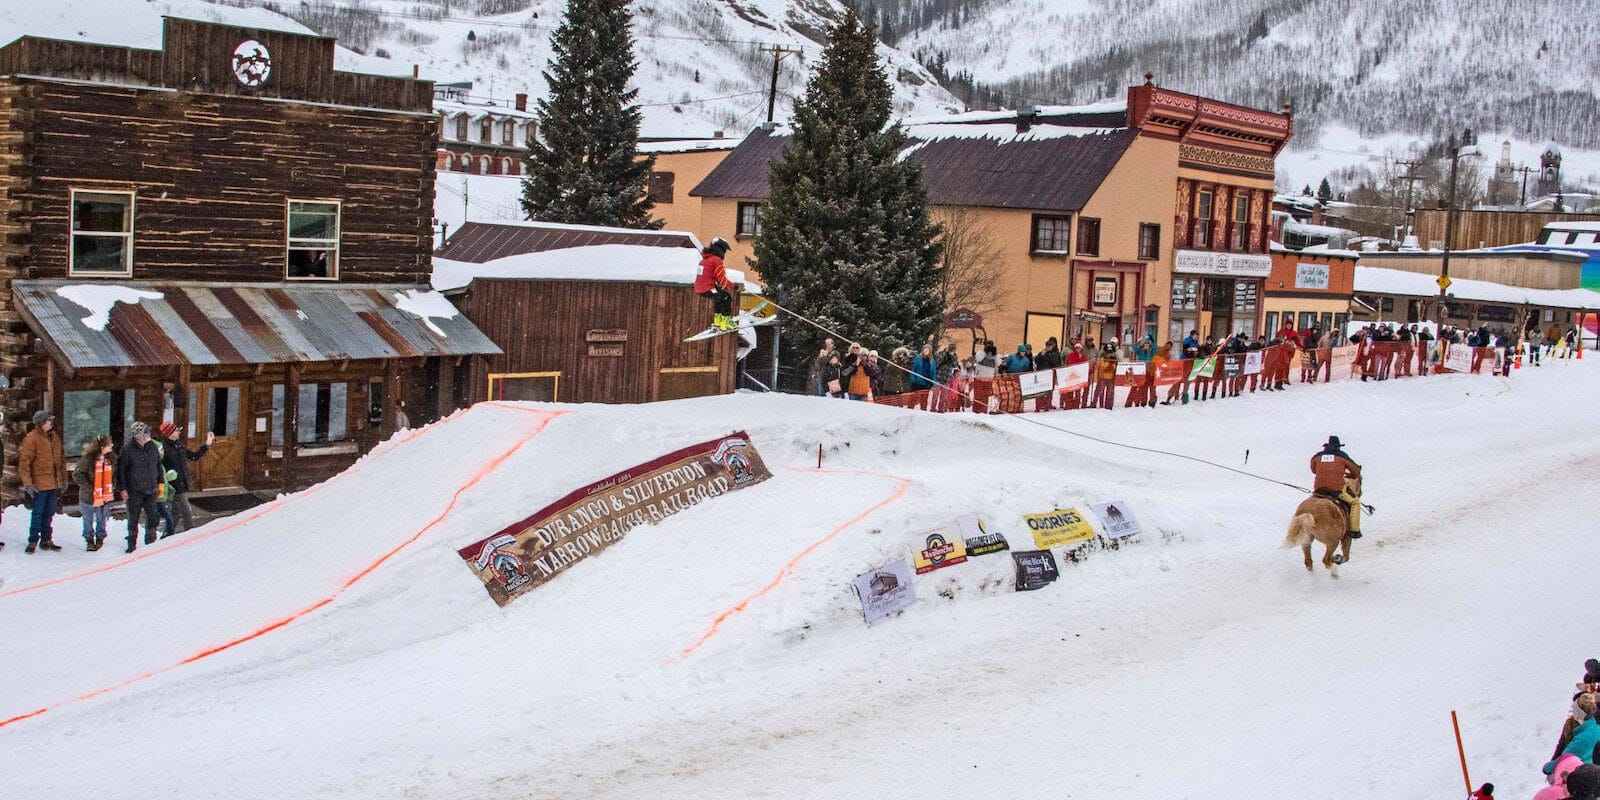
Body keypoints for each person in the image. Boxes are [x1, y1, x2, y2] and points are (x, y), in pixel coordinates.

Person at [19, 409, 66, 553]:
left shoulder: (55, 437)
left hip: (53, 482)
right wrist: (28, 483)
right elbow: (24, 462)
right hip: (39, 483)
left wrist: (63, 479)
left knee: (49, 512)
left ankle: (46, 539)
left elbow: (61, 459)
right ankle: (33, 540)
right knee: (37, 513)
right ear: (42, 423)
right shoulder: (32, 438)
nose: (51, 423)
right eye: (48, 421)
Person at [115, 421, 166, 553]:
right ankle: (131, 545)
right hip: (134, 491)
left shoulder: (152, 447)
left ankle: (151, 544)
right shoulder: (127, 450)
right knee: (133, 519)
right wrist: (123, 489)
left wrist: (160, 482)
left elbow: (158, 465)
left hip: (152, 489)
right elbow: (121, 471)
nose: (148, 434)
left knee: (152, 517)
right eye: (145, 432)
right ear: (139, 435)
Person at [158, 422, 212, 538]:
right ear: (170, 433)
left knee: (175, 513)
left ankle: (167, 535)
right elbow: (159, 468)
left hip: (182, 483)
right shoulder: (163, 448)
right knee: (187, 511)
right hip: (173, 486)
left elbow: (194, 456)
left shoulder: (179, 445)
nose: (179, 432)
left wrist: (207, 444)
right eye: (176, 430)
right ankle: (190, 536)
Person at [1310, 435, 1364, 539]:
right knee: (1355, 502)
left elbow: (1313, 469)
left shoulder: (1317, 456)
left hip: (1319, 489)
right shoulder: (1342, 456)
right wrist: (1350, 475)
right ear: (1338, 447)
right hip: (1336, 489)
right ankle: (1354, 530)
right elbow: (1356, 471)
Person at [71, 435, 115, 551]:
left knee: (102, 518)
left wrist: (111, 486)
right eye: (109, 445)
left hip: (104, 495)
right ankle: (89, 539)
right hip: (88, 496)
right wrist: (90, 487)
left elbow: (113, 475)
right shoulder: (88, 459)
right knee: (88, 519)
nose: (111, 446)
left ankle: (100, 538)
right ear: (102, 446)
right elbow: (77, 474)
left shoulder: (111, 459)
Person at [693, 237, 736, 331]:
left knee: (719, 297)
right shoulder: (716, 260)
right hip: (708, 288)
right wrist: (728, 286)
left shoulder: (705, 259)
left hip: (700, 288)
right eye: (724, 251)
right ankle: (725, 322)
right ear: (720, 249)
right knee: (726, 297)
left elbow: (715, 276)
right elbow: (721, 277)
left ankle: (717, 321)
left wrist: (729, 284)